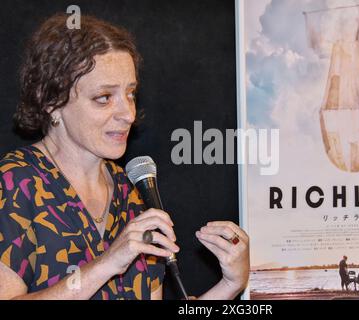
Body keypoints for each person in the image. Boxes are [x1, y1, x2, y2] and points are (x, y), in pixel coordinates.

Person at [0, 14, 249, 300]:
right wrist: (106, 264)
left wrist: (230, 284)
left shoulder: (132, 191)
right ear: (52, 102)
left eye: (130, 94)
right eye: (104, 98)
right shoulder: (16, 183)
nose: (128, 114)